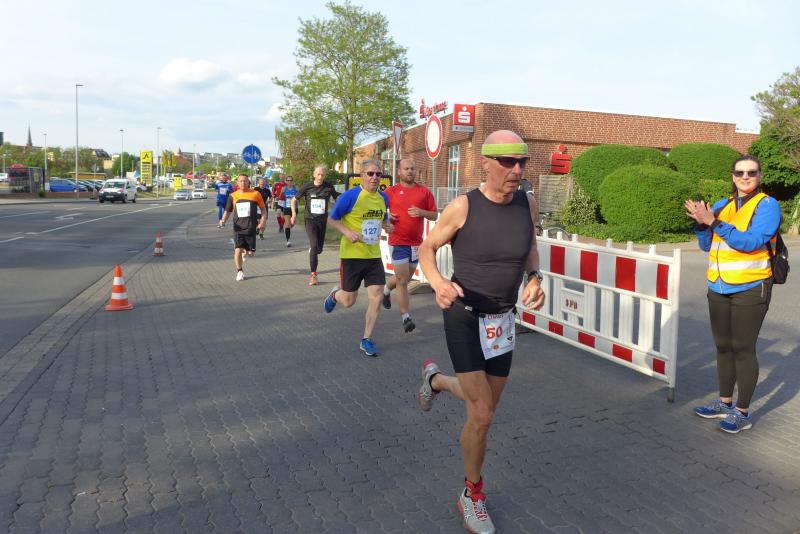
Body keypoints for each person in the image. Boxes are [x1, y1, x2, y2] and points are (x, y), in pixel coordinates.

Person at [415, 130, 545, 534]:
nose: (516, 170)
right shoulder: (463, 207)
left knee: (484, 405)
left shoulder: (527, 203)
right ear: (485, 164)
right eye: (507, 162)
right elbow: (427, 249)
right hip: (465, 316)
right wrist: (438, 283)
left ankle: (436, 381)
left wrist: (535, 278)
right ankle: (472, 494)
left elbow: (530, 246)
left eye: (522, 162)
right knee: (483, 414)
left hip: (502, 321)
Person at [685, 155, 781, 434]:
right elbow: (707, 245)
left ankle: (742, 413)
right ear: (733, 176)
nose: (745, 177)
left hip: (750, 287)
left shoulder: (767, 205)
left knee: (743, 348)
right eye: (740, 173)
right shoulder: (720, 205)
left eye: (751, 172)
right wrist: (701, 225)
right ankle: (724, 403)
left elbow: (751, 242)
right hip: (718, 286)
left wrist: (713, 223)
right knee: (723, 346)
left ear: (759, 175)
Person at [323, 160, 392, 357]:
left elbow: (383, 219)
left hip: (373, 255)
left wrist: (388, 225)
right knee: (348, 301)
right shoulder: (350, 196)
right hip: (352, 256)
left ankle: (366, 339)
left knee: (377, 296)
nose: (374, 177)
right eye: (370, 173)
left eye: (378, 174)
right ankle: (335, 295)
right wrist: (347, 232)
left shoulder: (383, 197)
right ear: (362, 175)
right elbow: (332, 218)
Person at [382, 158, 438, 332]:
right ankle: (406, 317)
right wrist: (387, 218)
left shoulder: (424, 192)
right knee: (402, 280)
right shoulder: (390, 192)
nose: (410, 171)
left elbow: (435, 215)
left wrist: (422, 212)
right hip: (398, 241)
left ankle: (386, 289)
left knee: (404, 278)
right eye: (406, 168)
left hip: (416, 244)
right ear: (399, 171)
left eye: (412, 168)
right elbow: (378, 211)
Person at [293, 164, 339, 285]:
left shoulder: (329, 187)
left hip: (322, 220)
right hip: (310, 219)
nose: (320, 177)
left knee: (319, 249)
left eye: (322, 175)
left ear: (325, 175)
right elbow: (294, 200)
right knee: (314, 246)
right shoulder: (307, 186)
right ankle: (313, 275)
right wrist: (293, 214)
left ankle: (314, 250)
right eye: (318, 174)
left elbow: (337, 198)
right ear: (314, 175)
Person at [219, 175, 267, 281]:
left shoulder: (255, 194)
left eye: (245, 181)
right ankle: (239, 271)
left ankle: (246, 251)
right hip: (238, 227)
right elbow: (228, 210)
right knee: (237, 250)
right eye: (240, 181)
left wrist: (262, 221)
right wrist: (223, 220)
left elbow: (263, 209)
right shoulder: (233, 195)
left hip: (251, 227)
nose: (243, 183)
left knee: (251, 253)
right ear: (237, 183)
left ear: (248, 182)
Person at [281, 176, 298, 247]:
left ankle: (289, 226)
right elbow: (281, 198)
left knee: (292, 224)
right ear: (286, 181)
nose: (289, 182)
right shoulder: (284, 189)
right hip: (286, 208)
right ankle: (288, 240)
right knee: (287, 224)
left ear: (292, 181)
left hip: (294, 208)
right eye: (288, 180)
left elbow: (300, 197)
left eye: (291, 180)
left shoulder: (296, 188)